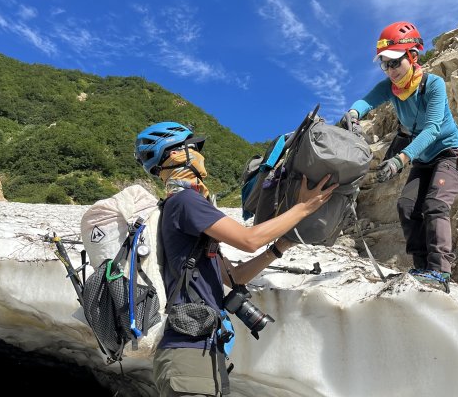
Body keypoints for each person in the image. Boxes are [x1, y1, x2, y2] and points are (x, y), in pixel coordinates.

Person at [134, 121, 338, 397]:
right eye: (193, 147)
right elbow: (248, 239)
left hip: (198, 351)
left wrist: (279, 247)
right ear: (173, 154)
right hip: (189, 353)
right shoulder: (185, 202)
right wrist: (302, 208)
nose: (199, 154)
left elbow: (233, 278)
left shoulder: (185, 207)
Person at [345, 21, 458, 293]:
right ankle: (422, 267)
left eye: (394, 62)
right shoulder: (390, 88)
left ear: (413, 56)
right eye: (385, 64)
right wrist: (353, 115)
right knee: (406, 206)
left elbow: (433, 129)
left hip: (451, 153)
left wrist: (401, 159)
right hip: (424, 160)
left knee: (435, 204)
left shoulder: (433, 84)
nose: (390, 70)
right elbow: (365, 102)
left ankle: (440, 273)